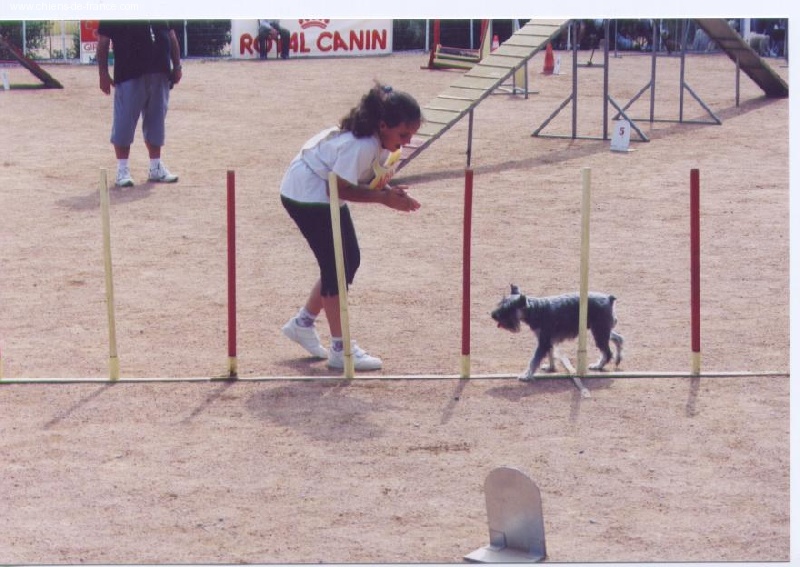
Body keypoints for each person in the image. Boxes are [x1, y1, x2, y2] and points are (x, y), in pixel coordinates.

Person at [279, 83, 422, 371]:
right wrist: (384, 199)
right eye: (403, 134)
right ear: (383, 125)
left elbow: (362, 179)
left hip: (320, 190)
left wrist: (387, 190)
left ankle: (302, 324)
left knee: (349, 260)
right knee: (336, 269)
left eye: (411, 135)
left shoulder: (379, 143)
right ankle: (340, 349)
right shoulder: (363, 145)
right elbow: (340, 189)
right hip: (307, 194)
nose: (407, 141)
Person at [97, 21, 182, 187]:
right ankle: (122, 169)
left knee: (156, 121)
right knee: (124, 121)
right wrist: (103, 74)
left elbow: (171, 34)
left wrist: (177, 66)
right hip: (128, 72)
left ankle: (156, 167)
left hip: (160, 71)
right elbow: (103, 41)